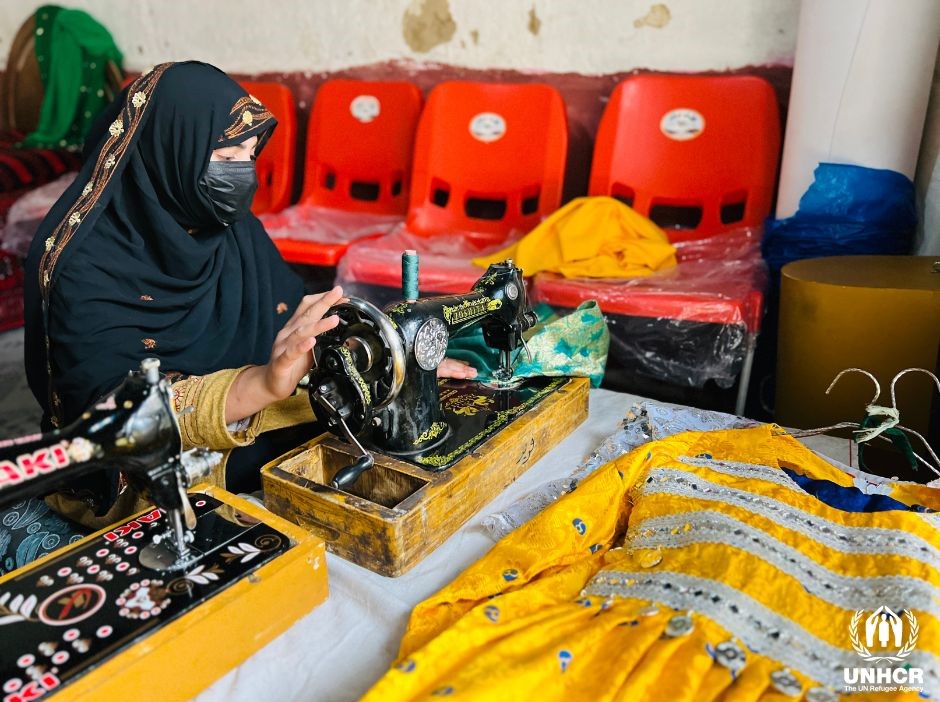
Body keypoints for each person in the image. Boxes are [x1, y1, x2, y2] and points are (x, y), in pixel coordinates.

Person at [22, 61, 475, 531]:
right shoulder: (78, 267)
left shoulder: (227, 230)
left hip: (247, 430)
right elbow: (122, 416)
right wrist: (262, 383)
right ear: (168, 150)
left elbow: (295, 324)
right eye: (225, 155)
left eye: (249, 153)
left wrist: (389, 359)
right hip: (139, 477)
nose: (243, 174)